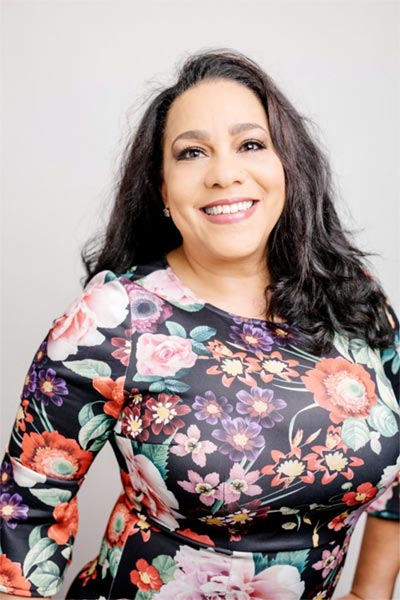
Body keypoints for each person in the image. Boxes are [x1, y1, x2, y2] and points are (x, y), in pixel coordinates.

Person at [0, 48, 398, 600]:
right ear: (163, 189)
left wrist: (370, 592)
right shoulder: (109, 321)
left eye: (251, 144)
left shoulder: (352, 295)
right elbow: (26, 517)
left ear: (288, 167)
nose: (225, 173)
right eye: (192, 153)